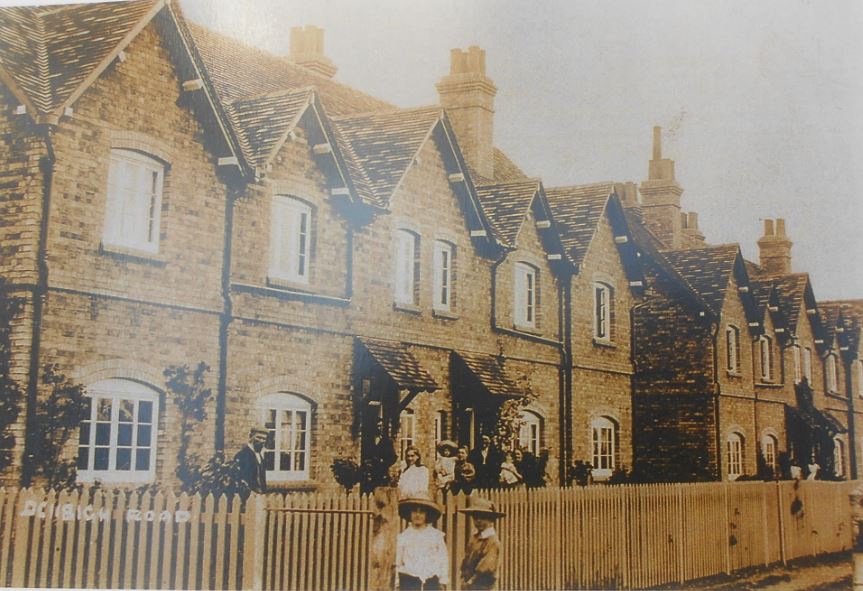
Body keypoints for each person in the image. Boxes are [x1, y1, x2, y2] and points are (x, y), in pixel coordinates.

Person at [396, 495, 449, 590]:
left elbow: (443, 559)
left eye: (421, 512)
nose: (417, 515)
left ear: (426, 514)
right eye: (414, 511)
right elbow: (398, 562)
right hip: (409, 581)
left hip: (430, 581)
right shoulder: (403, 536)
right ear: (410, 514)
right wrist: (397, 582)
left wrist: (443, 580)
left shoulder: (436, 535)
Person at [459, 496, 506, 590]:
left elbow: (486, 568)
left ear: (491, 519)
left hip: (484, 585)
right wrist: (463, 576)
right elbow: (467, 559)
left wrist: (470, 581)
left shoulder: (492, 541)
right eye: (476, 517)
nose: (478, 521)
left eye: (483, 517)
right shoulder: (475, 538)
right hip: (470, 584)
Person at [234, 426, 268, 494]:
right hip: (247, 496)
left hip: (259, 496)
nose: (261, 441)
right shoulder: (242, 455)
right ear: (251, 437)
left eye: (264, 439)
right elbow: (240, 479)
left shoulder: (259, 456)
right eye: (258, 437)